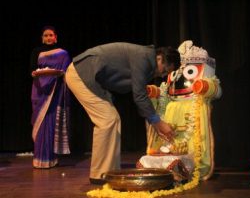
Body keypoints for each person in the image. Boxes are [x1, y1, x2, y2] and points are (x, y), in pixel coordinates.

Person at [65, 42, 180, 184]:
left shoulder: (146, 59)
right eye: (165, 70)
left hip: (91, 78)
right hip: (82, 73)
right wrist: (158, 122)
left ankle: (110, 170)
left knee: (113, 119)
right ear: (160, 58)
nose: (162, 75)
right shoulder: (144, 57)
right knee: (108, 120)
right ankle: (99, 174)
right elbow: (139, 95)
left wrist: (155, 123)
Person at [30, 26, 71, 168]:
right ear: (42, 38)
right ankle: (39, 159)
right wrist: (34, 73)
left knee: (51, 122)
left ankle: (51, 159)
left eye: (51, 35)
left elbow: (67, 72)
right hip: (40, 90)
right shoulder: (36, 51)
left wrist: (59, 74)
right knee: (40, 122)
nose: (48, 38)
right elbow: (33, 70)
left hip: (55, 91)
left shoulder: (63, 53)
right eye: (45, 35)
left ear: (55, 37)